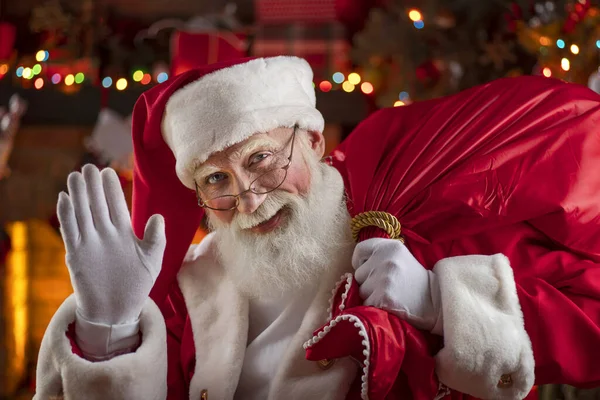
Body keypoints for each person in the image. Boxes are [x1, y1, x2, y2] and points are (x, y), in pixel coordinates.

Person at [33, 56, 599, 400]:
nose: (248, 196)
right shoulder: (188, 294)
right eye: (215, 180)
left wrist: (440, 301)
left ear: (315, 141)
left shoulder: (410, 237)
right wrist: (111, 330)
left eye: (261, 159)